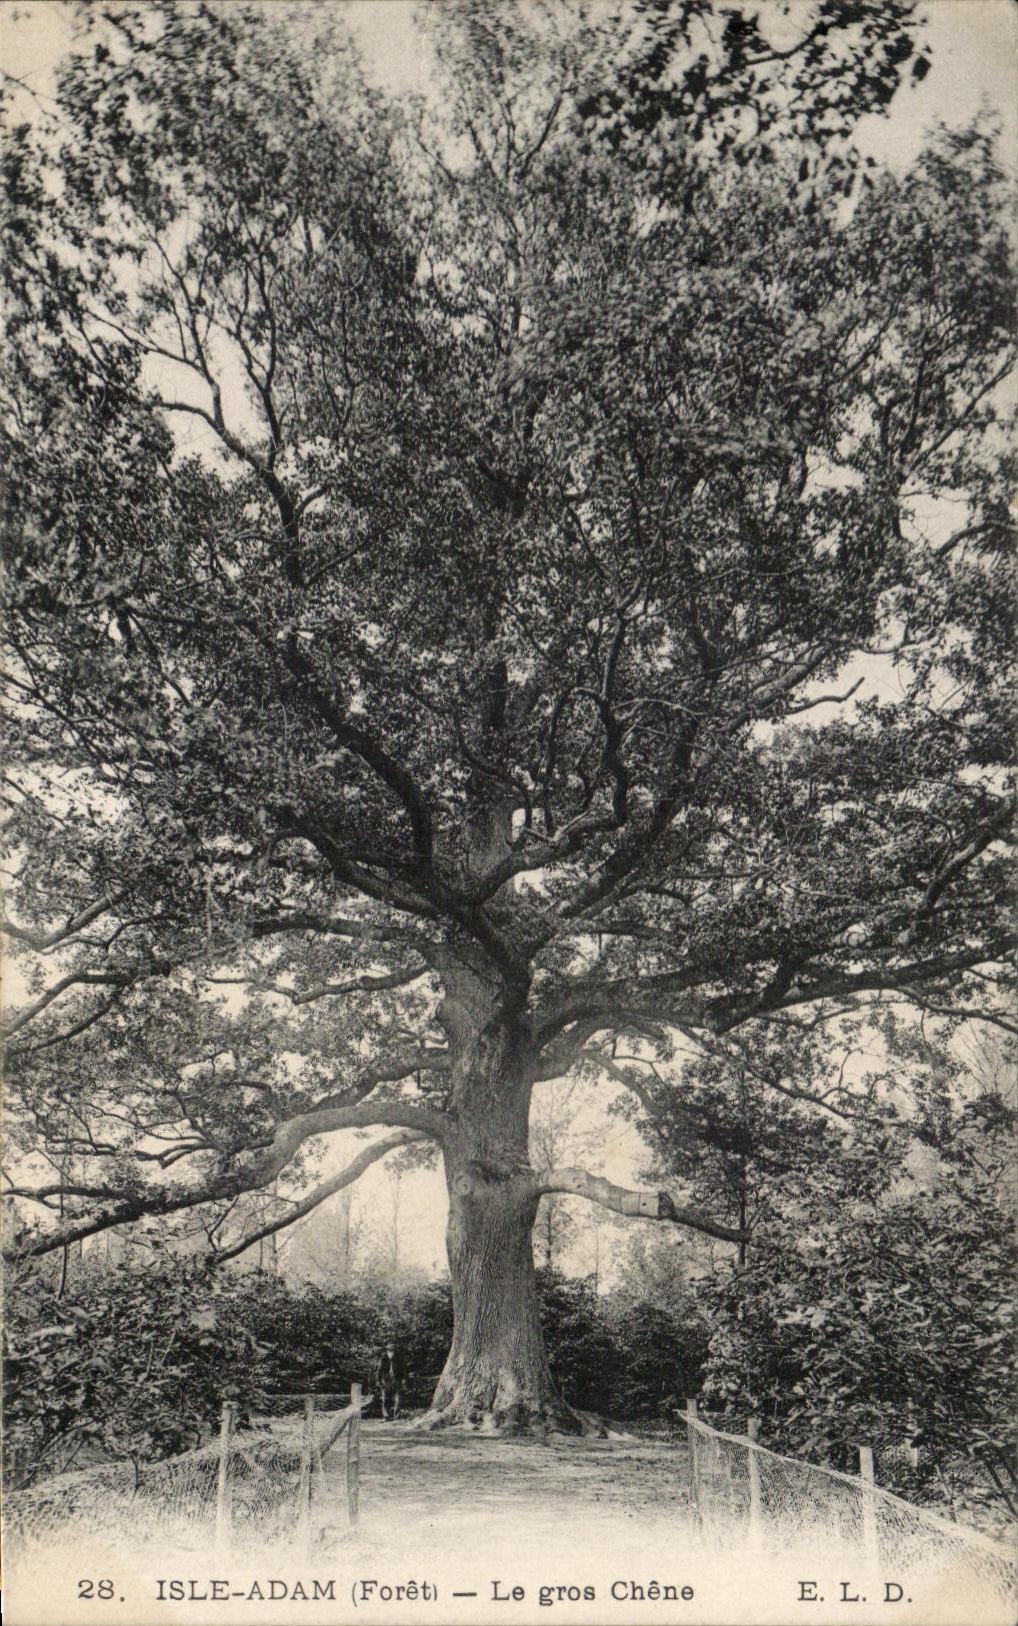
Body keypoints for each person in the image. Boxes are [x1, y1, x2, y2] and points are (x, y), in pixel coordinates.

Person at [374, 1339, 406, 1420]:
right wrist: (378, 1380)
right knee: (385, 1399)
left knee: (398, 1398)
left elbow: (403, 1368)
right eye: (389, 1344)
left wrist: (404, 1379)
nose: (391, 1345)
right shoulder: (383, 1357)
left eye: (393, 1344)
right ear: (386, 1346)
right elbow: (379, 1370)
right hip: (386, 1380)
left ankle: (397, 1416)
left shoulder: (398, 1356)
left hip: (397, 1379)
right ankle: (386, 1416)